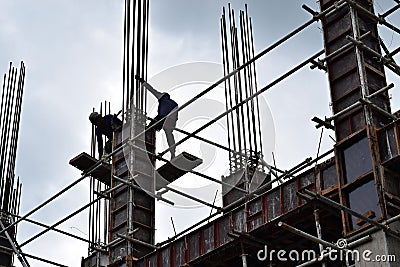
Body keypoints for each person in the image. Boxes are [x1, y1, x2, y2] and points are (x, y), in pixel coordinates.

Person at [135, 75, 178, 159]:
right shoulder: (175, 104)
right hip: (171, 121)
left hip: (162, 117)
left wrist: (141, 81)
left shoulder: (162, 97)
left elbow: (151, 89)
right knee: (169, 134)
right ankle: (173, 152)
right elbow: (175, 117)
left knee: (149, 128)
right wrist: (171, 125)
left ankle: (144, 145)